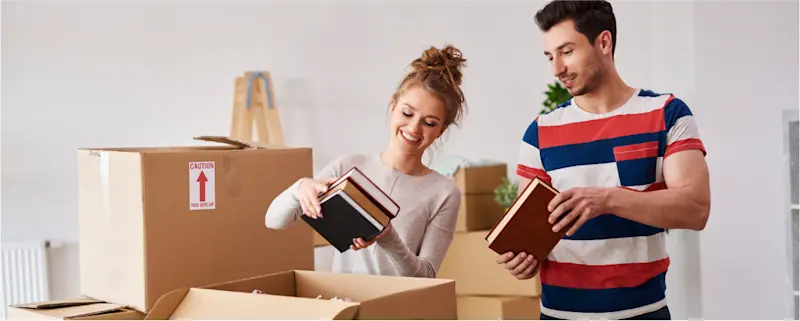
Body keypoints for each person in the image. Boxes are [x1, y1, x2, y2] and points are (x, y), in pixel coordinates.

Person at [496, 0, 711, 320]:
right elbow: (530, 234)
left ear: (604, 42)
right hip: (559, 315)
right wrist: (524, 260)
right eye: (550, 56)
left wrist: (607, 200)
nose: (557, 69)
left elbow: (696, 209)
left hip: (644, 313)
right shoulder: (539, 133)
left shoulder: (667, 114)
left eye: (567, 51)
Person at [265, 45, 467, 278]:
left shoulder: (444, 192)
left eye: (429, 123)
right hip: (342, 299)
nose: (414, 128)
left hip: (399, 302)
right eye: (407, 113)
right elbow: (273, 221)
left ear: (441, 131)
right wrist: (300, 188)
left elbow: (427, 276)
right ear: (393, 107)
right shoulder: (349, 166)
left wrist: (388, 237)